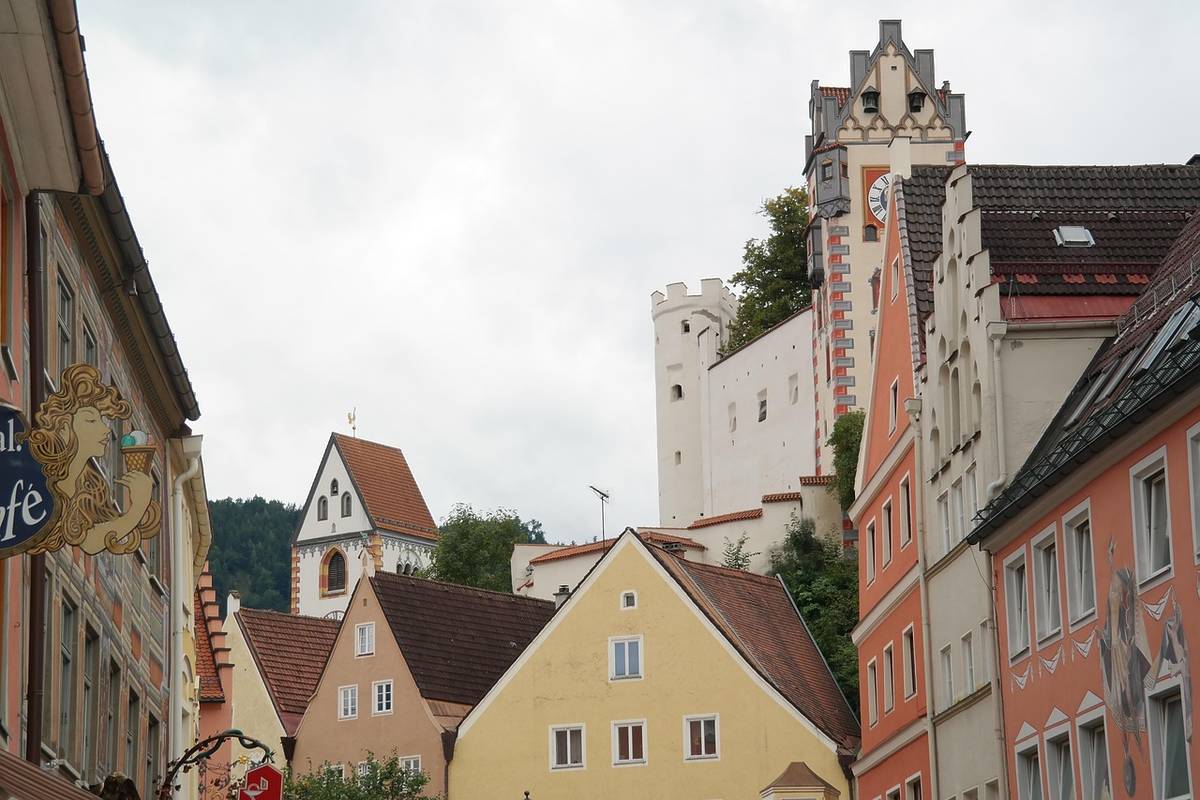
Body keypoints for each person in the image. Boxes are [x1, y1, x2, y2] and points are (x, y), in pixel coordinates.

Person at [27, 363, 159, 555]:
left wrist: (138, 508)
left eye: (101, 421)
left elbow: (89, 539)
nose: (105, 430)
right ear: (64, 428)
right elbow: (88, 540)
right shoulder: (41, 476)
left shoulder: (90, 487)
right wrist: (138, 508)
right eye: (91, 420)